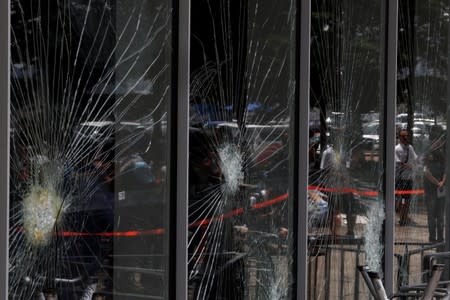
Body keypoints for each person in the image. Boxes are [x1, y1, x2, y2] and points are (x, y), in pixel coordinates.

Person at [423, 126, 446, 242]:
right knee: (431, 216)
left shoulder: (443, 153)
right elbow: (426, 171)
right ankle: (432, 238)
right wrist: (438, 182)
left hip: (440, 189)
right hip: (431, 189)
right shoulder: (427, 152)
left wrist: (443, 182)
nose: (438, 141)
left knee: (441, 216)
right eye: (436, 138)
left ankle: (441, 238)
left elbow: (446, 169)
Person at [395, 128, 418, 226]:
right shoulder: (396, 149)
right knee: (400, 199)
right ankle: (402, 217)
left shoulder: (410, 148)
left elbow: (415, 159)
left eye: (406, 136)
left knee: (407, 199)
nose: (405, 138)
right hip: (400, 178)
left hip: (408, 178)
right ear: (399, 137)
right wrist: (410, 166)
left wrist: (416, 165)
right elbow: (399, 163)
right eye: (403, 136)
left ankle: (404, 217)